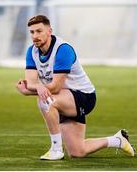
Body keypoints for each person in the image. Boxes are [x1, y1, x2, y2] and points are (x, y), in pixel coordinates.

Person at [16, 15, 135, 160]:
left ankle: (56, 149)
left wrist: (30, 91)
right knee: (78, 151)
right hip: (64, 98)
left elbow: (54, 88)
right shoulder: (32, 51)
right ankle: (117, 140)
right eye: (32, 32)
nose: (35, 36)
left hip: (83, 96)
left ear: (49, 31)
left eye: (39, 31)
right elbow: (31, 82)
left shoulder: (63, 50)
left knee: (46, 101)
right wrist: (34, 88)